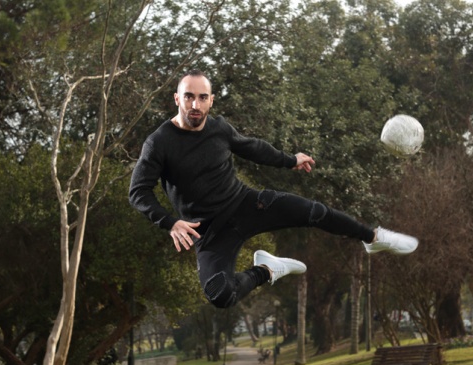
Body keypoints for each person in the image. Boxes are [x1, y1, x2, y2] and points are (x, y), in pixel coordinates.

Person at [129, 69, 418, 309]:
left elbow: (251, 147)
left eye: (202, 98)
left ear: (211, 100)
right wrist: (170, 223)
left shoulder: (218, 128)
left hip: (246, 205)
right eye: (189, 97)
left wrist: (290, 160)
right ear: (177, 98)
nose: (195, 105)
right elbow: (138, 191)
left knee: (314, 212)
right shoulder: (159, 142)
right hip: (207, 231)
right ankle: (267, 270)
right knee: (220, 295)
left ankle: (373, 236)